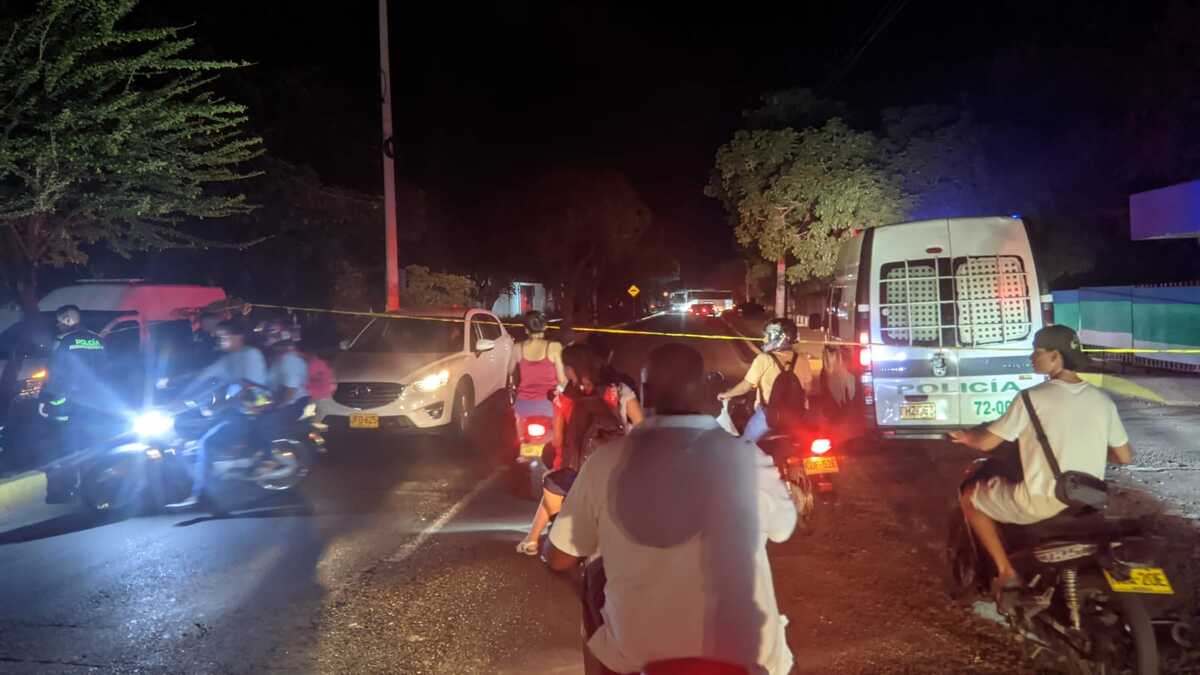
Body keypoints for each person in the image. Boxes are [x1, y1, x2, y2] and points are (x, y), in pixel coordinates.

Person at [547, 343, 796, 675]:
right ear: (704, 391)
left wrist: (552, 537)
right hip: (751, 657)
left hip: (637, 658)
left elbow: (560, 556)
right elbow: (783, 529)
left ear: (646, 393)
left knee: (594, 591)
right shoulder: (747, 457)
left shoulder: (605, 462)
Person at [949, 325, 1134, 597]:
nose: (1032, 358)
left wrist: (966, 437)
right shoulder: (1102, 401)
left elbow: (988, 442)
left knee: (970, 498)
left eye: (1038, 352)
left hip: (1041, 500)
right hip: (1088, 501)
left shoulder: (1031, 397)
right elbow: (1124, 455)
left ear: (1056, 357)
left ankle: (1006, 572)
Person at [516, 343, 643, 555]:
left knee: (552, 479)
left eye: (566, 366)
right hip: (617, 468)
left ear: (574, 368)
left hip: (577, 471)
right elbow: (641, 427)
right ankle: (537, 537)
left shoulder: (565, 397)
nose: (564, 371)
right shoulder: (620, 390)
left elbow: (557, 441)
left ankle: (537, 538)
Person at [166, 318, 268, 510]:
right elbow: (204, 375)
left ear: (238, 337)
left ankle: (199, 495)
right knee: (192, 431)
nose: (219, 341)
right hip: (233, 410)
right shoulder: (227, 359)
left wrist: (222, 404)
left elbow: (251, 389)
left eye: (224, 337)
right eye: (219, 337)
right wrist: (177, 392)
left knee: (207, 442)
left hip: (250, 412)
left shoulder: (250, 355)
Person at [40, 305, 108, 502]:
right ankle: (96, 488)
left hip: (69, 406)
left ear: (69, 320)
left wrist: (47, 401)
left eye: (60, 320)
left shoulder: (63, 342)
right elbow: (105, 371)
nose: (57, 325)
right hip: (96, 407)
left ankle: (63, 492)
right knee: (92, 449)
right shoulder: (97, 340)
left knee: (66, 451)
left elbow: (55, 375)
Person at [717, 318, 813, 442]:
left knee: (745, 446)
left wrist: (725, 395)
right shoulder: (803, 359)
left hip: (768, 417)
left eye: (769, 335)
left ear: (781, 337)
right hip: (797, 416)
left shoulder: (763, 359)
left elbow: (746, 386)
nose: (765, 339)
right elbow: (808, 389)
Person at [510, 311, 567, 420]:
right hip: (549, 405)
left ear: (526, 330)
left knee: (516, 436)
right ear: (545, 327)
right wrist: (559, 389)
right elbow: (562, 380)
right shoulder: (554, 347)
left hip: (523, 406)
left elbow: (510, 372)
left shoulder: (517, 348)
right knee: (561, 434)